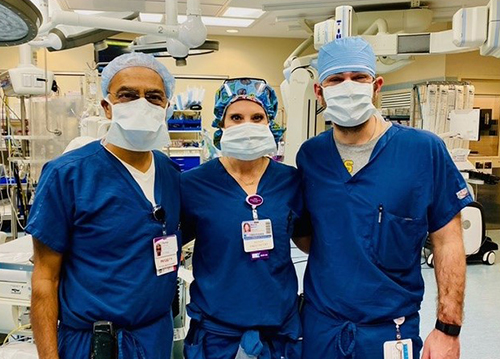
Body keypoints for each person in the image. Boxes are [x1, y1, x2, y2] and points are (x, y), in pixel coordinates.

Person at [296, 37, 472, 359]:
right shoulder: (311, 157)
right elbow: (311, 238)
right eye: (336, 79)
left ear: (376, 86)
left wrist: (448, 328)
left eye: (358, 78)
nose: (348, 87)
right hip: (321, 327)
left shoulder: (423, 151)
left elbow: (448, 241)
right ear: (320, 92)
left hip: (390, 331)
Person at [27, 53, 181, 359]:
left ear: (165, 106)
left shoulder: (170, 172)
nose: (141, 104)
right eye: (127, 95)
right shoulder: (67, 174)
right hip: (94, 344)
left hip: (154, 338)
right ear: (107, 106)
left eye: (153, 97)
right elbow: (45, 277)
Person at [181, 78, 310, 359]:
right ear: (221, 124)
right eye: (236, 117)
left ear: (270, 122)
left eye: (257, 117)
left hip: (278, 331)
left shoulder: (290, 181)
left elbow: (308, 241)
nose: (247, 125)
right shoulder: (193, 184)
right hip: (217, 333)